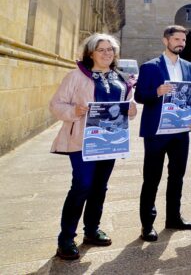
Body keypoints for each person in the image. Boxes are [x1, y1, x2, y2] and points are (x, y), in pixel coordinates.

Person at [49, 34, 137, 260]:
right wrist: (74, 111)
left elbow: (127, 105)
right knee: (82, 185)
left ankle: (91, 230)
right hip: (81, 141)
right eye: (101, 50)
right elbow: (56, 104)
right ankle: (66, 238)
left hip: (109, 142)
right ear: (90, 53)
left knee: (100, 187)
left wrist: (131, 109)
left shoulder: (121, 79)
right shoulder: (76, 76)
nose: (107, 53)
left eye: (110, 50)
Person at [134, 25, 191, 242]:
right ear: (166, 41)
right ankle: (147, 224)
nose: (181, 43)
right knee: (151, 178)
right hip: (156, 131)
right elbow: (139, 96)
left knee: (177, 176)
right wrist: (156, 92)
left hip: (180, 132)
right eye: (177, 39)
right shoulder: (150, 67)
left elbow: (190, 95)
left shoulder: (189, 67)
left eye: (183, 40)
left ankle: (173, 217)